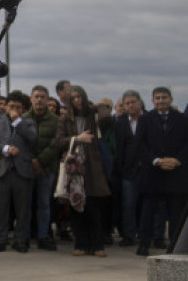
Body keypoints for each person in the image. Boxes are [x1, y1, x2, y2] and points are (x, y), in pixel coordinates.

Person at [54, 85, 111, 257]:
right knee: (76, 206)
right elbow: (59, 142)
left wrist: (99, 106)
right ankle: (80, 244)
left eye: (80, 97)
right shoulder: (65, 119)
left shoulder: (92, 115)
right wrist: (78, 139)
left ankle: (97, 245)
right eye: (74, 98)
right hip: (74, 166)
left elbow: (107, 120)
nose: (77, 100)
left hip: (92, 166)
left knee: (93, 206)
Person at [135, 87, 188, 256]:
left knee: (175, 213)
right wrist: (157, 161)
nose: (160, 100)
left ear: (171, 99)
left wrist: (177, 160)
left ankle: (175, 246)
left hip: (176, 172)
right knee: (148, 211)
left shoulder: (182, 119)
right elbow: (140, 144)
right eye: (157, 98)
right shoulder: (145, 119)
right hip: (153, 172)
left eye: (164, 97)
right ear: (152, 101)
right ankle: (144, 243)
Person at [0, 91, 38, 253]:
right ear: (5, 107)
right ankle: (0, 239)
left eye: (17, 107)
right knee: (1, 209)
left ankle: (21, 240)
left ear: (23, 109)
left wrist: (17, 121)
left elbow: (33, 139)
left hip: (22, 172)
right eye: (11, 106)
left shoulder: (28, 123)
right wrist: (6, 149)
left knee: (23, 210)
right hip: (2, 171)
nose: (14, 109)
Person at [24, 85, 59, 250]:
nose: (39, 100)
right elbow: (20, 142)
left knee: (44, 203)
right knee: (27, 204)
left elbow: (55, 144)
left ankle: (43, 236)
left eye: (42, 97)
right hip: (27, 168)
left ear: (47, 100)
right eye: (36, 96)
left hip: (46, 169)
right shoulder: (23, 118)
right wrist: (32, 161)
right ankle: (25, 236)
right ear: (31, 99)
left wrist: (40, 162)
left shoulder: (55, 120)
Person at [113, 90, 143, 247]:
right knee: (128, 205)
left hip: (148, 170)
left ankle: (149, 235)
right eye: (127, 103)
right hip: (128, 172)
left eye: (133, 102)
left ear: (140, 102)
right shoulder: (120, 123)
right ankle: (129, 235)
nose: (131, 105)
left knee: (149, 204)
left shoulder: (149, 119)